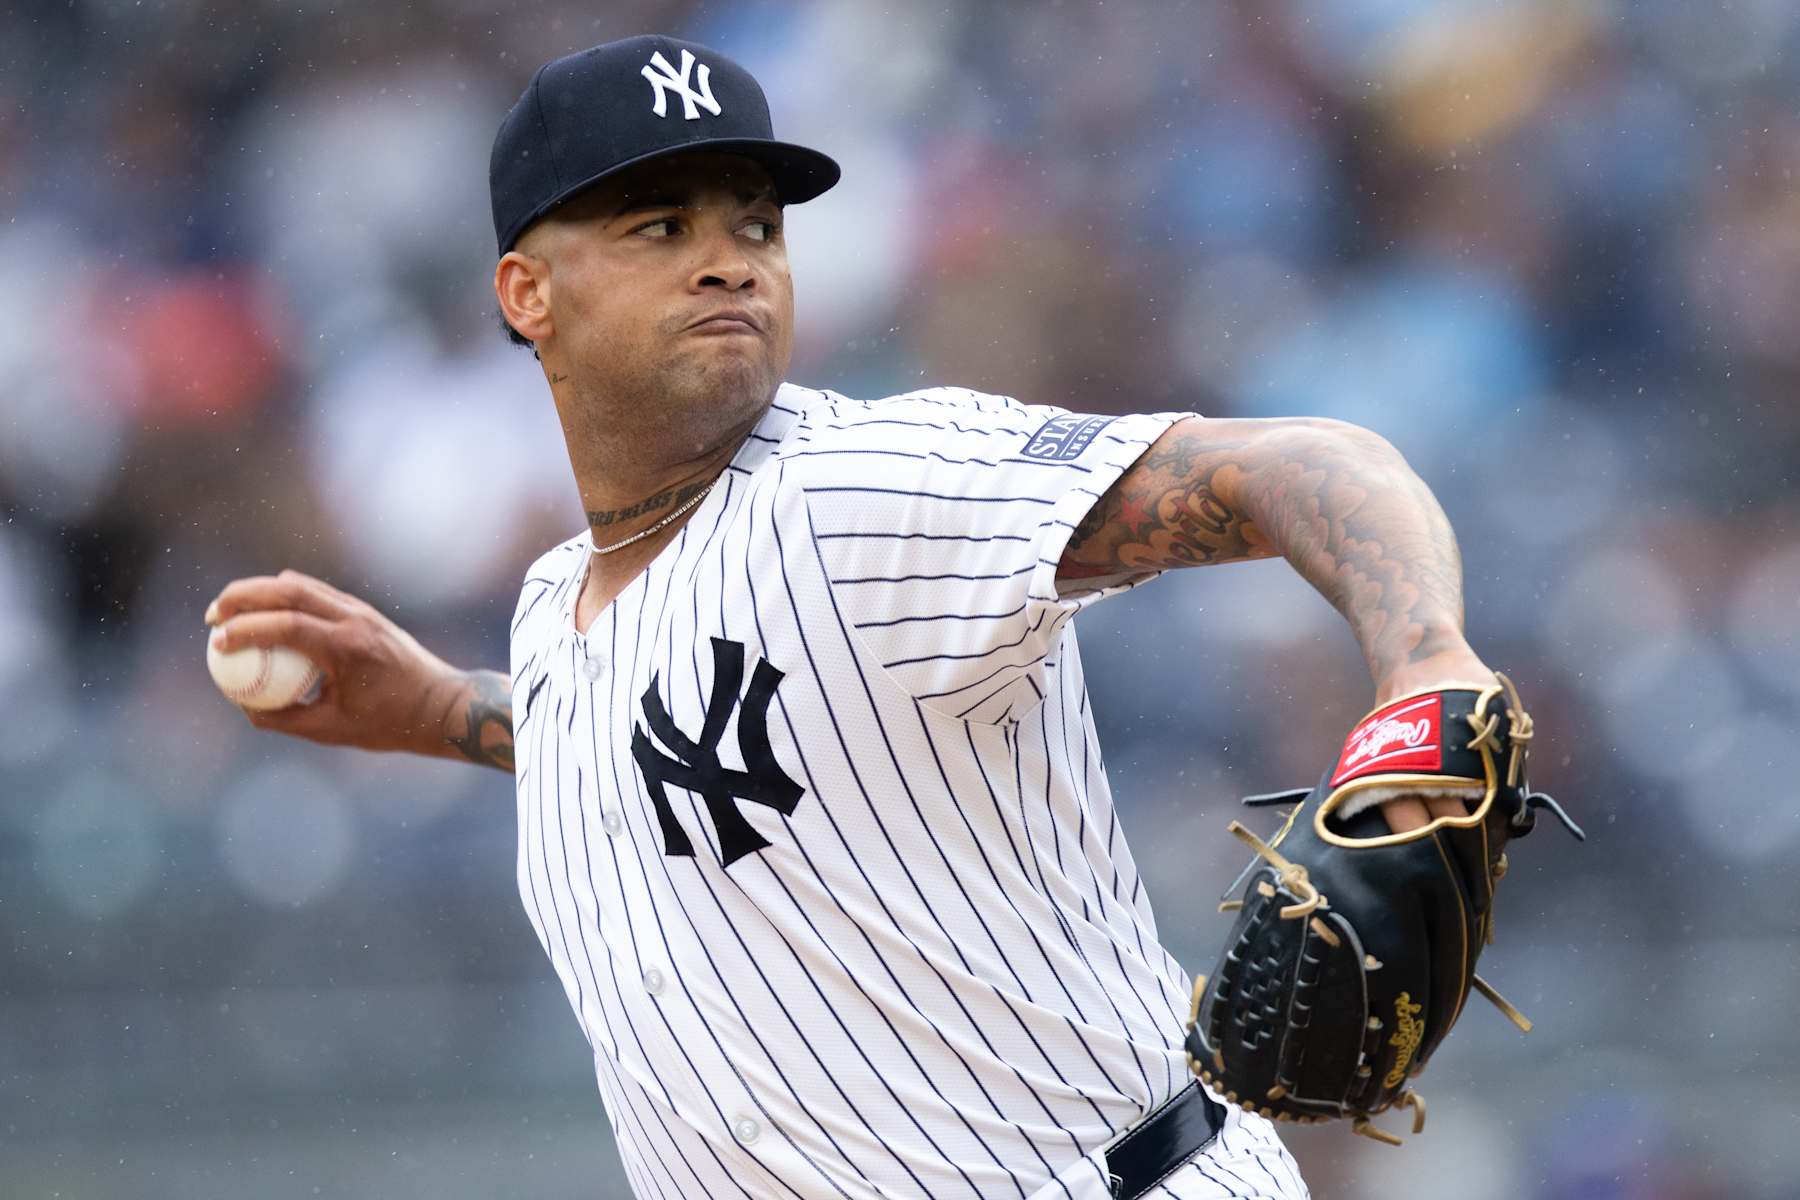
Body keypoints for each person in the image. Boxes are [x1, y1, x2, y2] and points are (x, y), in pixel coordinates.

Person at [206, 35, 1504, 1200]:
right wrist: (443, 712)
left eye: (757, 225)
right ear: (527, 294)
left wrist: (1423, 663)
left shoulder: (862, 489)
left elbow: (1305, 466)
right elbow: (669, 753)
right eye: (660, 226)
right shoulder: (558, 613)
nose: (729, 260)